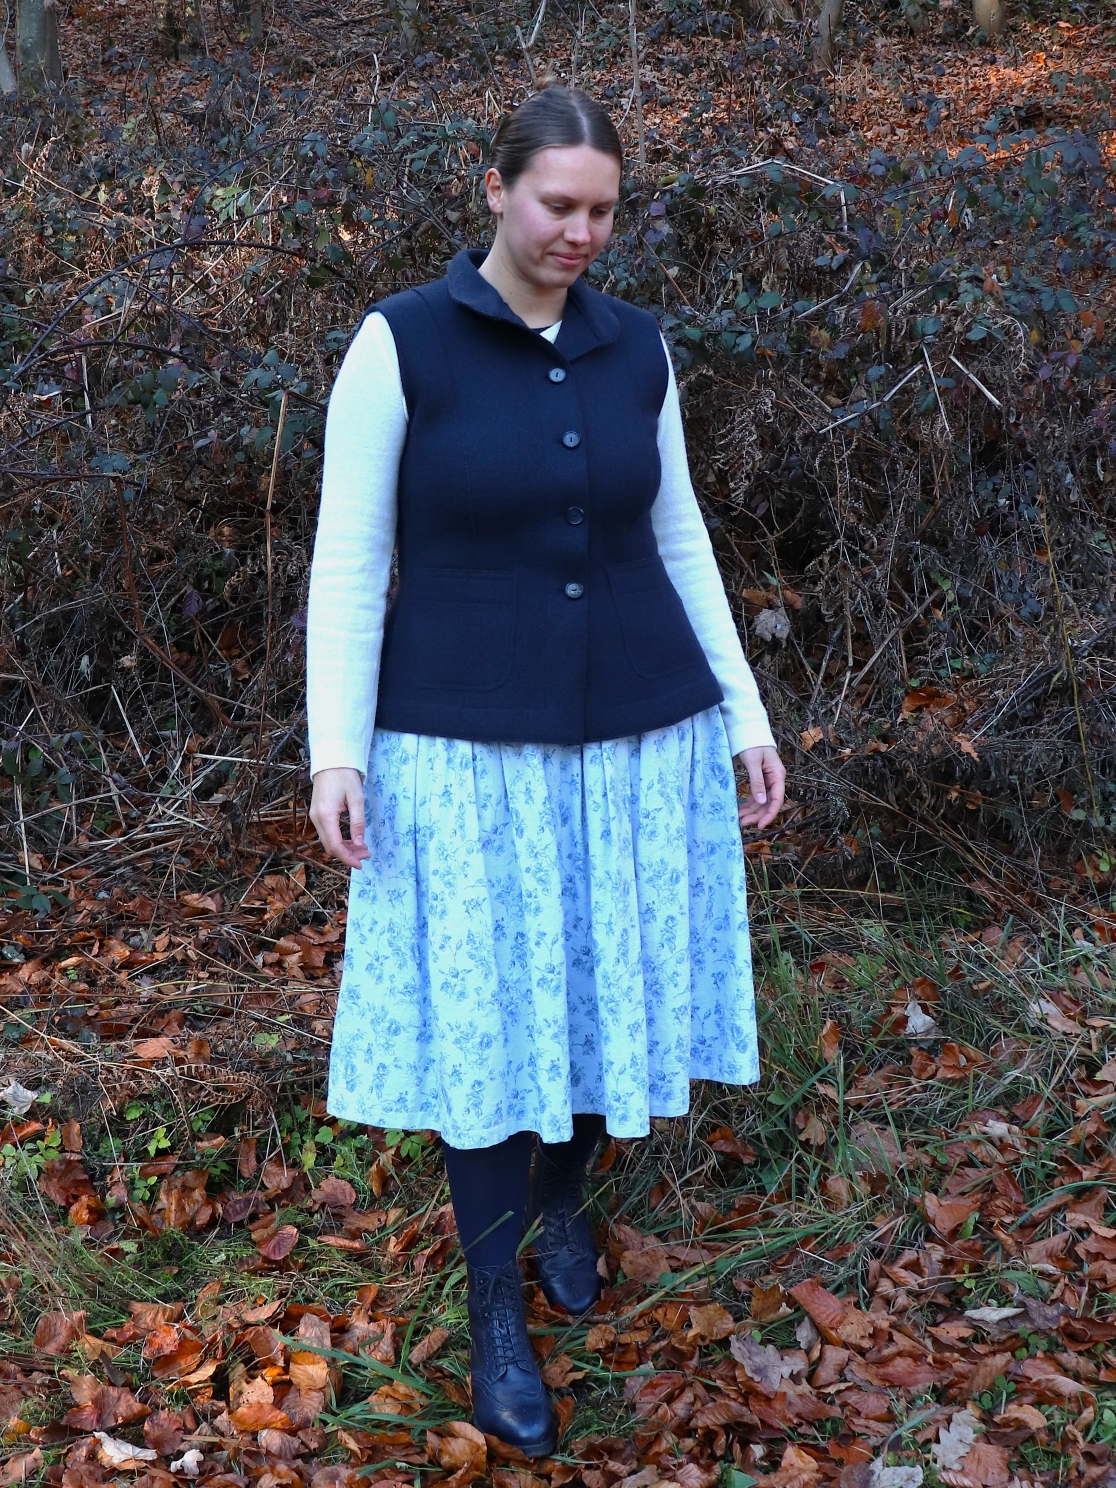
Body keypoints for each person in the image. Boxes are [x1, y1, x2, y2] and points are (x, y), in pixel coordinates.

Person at [305, 84, 785, 1458]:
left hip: (641, 735)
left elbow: (679, 539)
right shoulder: (402, 344)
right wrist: (336, 749)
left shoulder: (639, 349)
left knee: (595, 982)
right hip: (460, 750)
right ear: (496, 190)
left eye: (603, 211)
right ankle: (493, 1310)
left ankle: (566, 1196)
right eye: (557, 204)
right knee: (489, 1021)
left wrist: (745, 715)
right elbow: (349, 563)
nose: (580, 232)